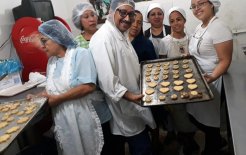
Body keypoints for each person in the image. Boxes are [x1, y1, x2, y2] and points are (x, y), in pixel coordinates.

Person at [89, 0, 156, 155]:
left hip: (135, 100)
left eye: (131, 14)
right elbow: (107, 81)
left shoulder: (121, 34)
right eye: (123, 13)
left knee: (140, 142)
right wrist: (131, 96)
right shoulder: (103, 39)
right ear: (112, 12)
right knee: (141, 146)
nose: (127, 18)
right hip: (124, 106)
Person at [27, 20, 104, 155]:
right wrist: (37, 97)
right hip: (62, 119)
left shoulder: (80, 54)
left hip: (80, 115)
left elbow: (88, 86)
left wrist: (59, 99)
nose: (42, 46)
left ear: (57, 38)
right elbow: (52, 88)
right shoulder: (52, 61)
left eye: (44, 41)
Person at [187, 0, 233, 154]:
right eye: (193, 6)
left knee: (209, 122)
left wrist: (212, 77)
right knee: (195, 116)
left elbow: (225, 60)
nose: (196, 8)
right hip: (199, 79)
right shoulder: (199, 27)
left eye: (200, 4)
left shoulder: (219, 28)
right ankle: (216, 141)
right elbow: (198, 50)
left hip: (212, 80)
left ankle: (213, 148)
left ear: (212, 3)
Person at [72, 3, 113, 155]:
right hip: (93, 93)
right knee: (100, 129)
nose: (91, 19)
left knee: (115, 129)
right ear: (79, 21)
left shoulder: (105, 36)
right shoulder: (75, 44)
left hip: (110, 86)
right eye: (86, 16)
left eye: (93, 15)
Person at [162, 7, 199, 155]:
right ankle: (186, 141)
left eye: (179, 19)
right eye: (172, 21)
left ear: (184, 20)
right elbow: (162, 65)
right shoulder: (165, 42)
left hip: (193, 84)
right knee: (179, 115)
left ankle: (188, 140)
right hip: (172, 86)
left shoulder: (192, 39)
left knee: (193, 115)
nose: (176, 23)